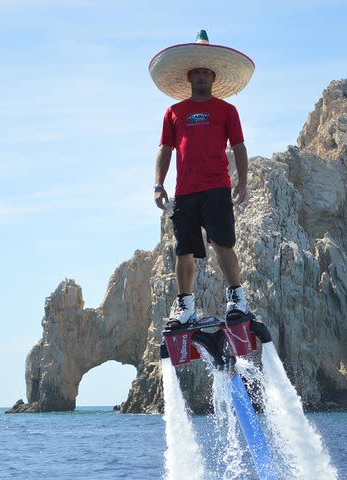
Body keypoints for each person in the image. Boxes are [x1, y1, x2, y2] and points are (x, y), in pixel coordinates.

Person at [149, 30, 255, 327]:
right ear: (189, 77)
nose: (200, 77)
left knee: (223, 244)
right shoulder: (174, 112)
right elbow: (165, 149)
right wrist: (159, 185)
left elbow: (239, 147)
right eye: (195, 72)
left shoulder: (227, 110)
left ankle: (237, 299)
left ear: (213, 77)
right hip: (185, 192)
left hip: (217, 188)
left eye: (205, 72)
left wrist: (243, 182)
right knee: (183, 249)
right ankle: (184, 306)